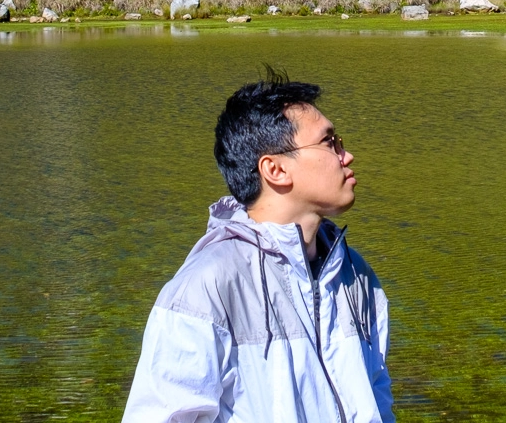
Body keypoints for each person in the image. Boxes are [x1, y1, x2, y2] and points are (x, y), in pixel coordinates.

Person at [123, 71, 393, 422]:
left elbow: (379, 399)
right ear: (275, 169)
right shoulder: (206, 286)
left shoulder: (356, 276)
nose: (347, 155)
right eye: (329, 143)